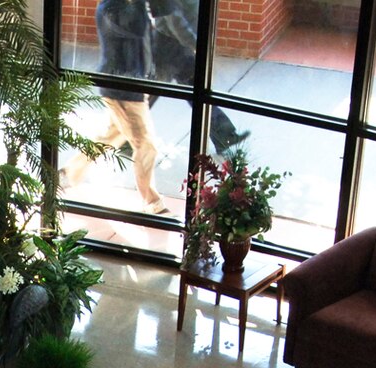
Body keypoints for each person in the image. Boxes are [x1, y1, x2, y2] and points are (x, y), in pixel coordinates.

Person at [59, 0, 165, 211]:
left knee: (111, 136)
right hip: (122, 88)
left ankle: (67, 175)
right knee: (146, 145)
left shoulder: (128, 6)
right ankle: (152, 202)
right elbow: (136, 28)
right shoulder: (111, 8)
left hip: (130, 84)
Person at [145, 0, 247, 152]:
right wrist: (196, 45)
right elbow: (175, 21)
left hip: (178, 45)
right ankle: (124, 135)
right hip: (167, 46)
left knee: (192, 90)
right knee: (149, 93)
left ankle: (224, 136)